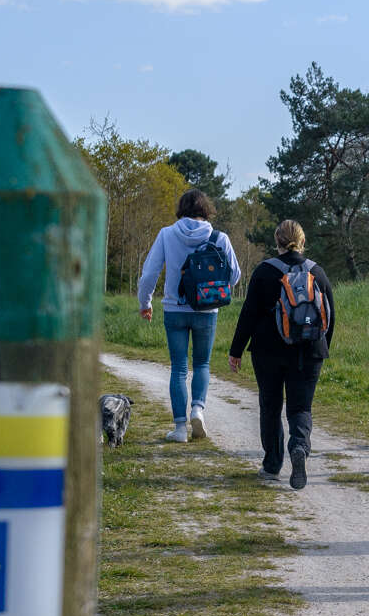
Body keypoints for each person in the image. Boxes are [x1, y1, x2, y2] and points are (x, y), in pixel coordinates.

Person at [226, 220, 336, 490]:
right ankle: (299, 447)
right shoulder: (317, 272)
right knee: (300, 408)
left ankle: (272, 465)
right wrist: (323, 349)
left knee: (271, 406)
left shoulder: (264, 272)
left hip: (268, 351)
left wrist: (236, 350)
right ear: (302, 241)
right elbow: (330, 316)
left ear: (277, 242)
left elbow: (248, 314)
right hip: (309, 351)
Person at [138, 188, 242, 442]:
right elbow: (235, 275)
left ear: (181, 209)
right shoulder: (219, 237)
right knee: (202, 364)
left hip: (175, 309)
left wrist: (145, 302)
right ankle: (198, 409)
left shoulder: (167, 234)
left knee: (179, 368)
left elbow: (150, 273)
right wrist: (214, 287)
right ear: (205, 210)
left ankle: (180, 429)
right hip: (207, 310)